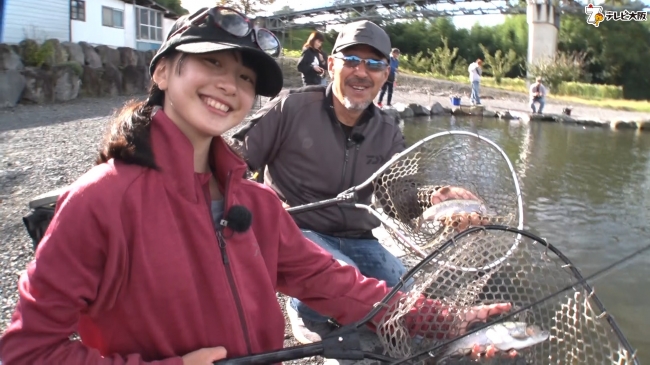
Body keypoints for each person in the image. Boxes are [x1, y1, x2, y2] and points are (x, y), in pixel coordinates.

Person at [0, 8, 514, 365]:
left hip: (347, 241)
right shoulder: (98, 202)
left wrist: (442, 320)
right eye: (212, 62)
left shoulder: (258, 206)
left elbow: (338, 285)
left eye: (246, 78)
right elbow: (26, 352)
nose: (231, 84)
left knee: (383, 278)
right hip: (313, 228)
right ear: (162, 72)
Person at [231, 19, 490, 349]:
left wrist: (434, 199)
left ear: (385, 73)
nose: (361, 72)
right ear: (330, 65)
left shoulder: (388, 131)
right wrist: (259, 203)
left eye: (374, 64)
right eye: (351, 60)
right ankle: (305, 313)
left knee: (405, 292)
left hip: (359, 236)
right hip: (301, 235)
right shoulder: (291, 108)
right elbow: (236, 160)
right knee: (344, 274)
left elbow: (399, 197)